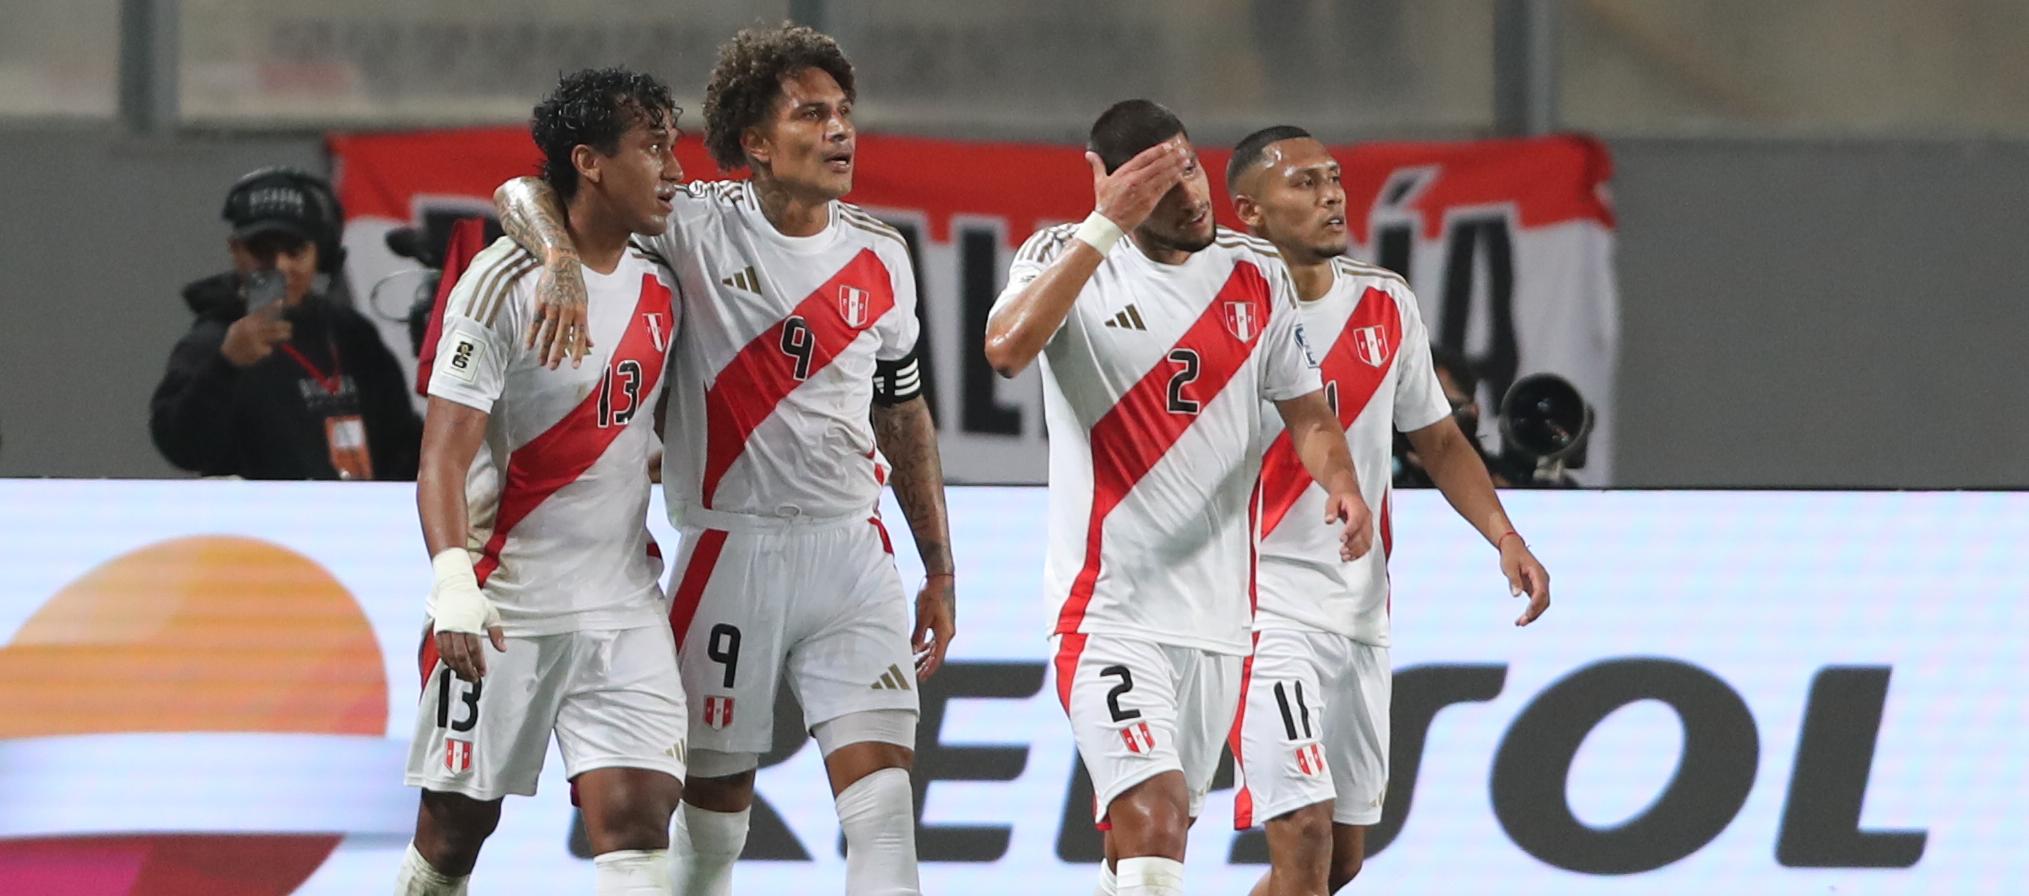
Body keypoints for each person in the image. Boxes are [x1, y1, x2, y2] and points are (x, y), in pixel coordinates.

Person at [495, 24, 955, 896]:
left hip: (852, 557)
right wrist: (557, 255)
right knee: (713, 835)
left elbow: (902, 411)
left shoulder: (882, 254)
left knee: (885, 815)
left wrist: (938, 566)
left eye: (844, 112)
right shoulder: (694, 223)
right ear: (756, 143)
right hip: (728, 554)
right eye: (810, 114)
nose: (839, 130)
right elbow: (520, 190)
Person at [982, 100, 1373, 896]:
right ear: (1111, 184)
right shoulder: (1064, 254)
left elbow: (1307, 413)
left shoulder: (1254, 272)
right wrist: (1104, 225)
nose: (1192, 195)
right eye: (1160, 184)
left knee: (1144, 850)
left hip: (1219, 624)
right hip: (1107, 610)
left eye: (1189, 167)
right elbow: (1006, 350)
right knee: (1155, 819)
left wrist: (1340, 482)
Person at [1222, 125, 1553, 895]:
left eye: (1333, 178)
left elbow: (1437, 440)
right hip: (1257, 607)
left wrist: (1503, 535)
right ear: (1250, 212)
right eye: (1303, 182)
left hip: (1358, 610)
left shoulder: (1384, 302)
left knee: (1338, 861)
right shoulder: (1223, 310)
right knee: (1302, 832)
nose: (1331, 195)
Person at [396, 68, 689, 896]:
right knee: (453, 833)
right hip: (505, 607)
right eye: (654, 148)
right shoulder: (500, 284)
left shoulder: (664, 272)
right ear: (590, 162)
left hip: (620, 602)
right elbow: (442, 456)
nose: (675, 169)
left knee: (637, 823)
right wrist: (454, 583)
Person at [150, 168, 420, 480]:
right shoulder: (212, 342)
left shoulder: (351, 333)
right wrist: (225, 366)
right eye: (262, 251)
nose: (280, 266)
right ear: (236, 250)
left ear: (320, 253)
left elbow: (402, 444)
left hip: (358, 509)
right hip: (259, 513)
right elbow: (180, 448)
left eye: (295, 250)